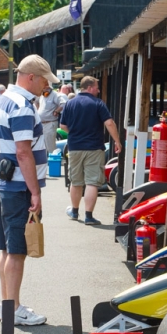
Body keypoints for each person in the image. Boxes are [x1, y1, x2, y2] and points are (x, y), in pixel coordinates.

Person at [0, 54, 59, 326]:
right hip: (18, 185)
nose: (46, 86)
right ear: (31, 77)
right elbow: (23, 152)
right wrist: (36, 192)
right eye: (44, 80)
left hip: (3, 182)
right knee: (17, 251)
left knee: (7, 249)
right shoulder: (22, 106)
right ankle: (14, 308)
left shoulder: (1, 99)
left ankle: (6, 303)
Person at [60, 75, 121, 225]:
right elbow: (110, 123)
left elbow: (62, 126)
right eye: (97, 87)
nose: (99, 90)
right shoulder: (98, 103)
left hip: (74, 147)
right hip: (94, 147)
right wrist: (117, 141)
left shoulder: (70, 103)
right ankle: (88, 216)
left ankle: (74, 211)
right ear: (89, 87)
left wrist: (75, 134)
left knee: (75, 180)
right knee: (92, 182)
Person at [38, 85, 65, 154]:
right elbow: (36, 101)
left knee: (50, 147)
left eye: (44, 87)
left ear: (48, 87)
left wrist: (56, 111)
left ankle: (52, 163)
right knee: (43, 146)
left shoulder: (55, 95)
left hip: (50, 123)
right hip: (42, 124)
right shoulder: (42, 95)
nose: (42, 89)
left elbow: (63, 104)